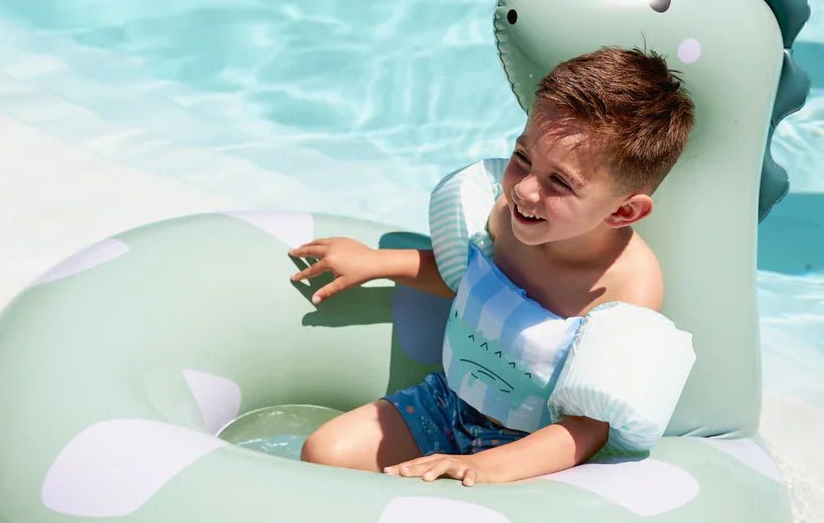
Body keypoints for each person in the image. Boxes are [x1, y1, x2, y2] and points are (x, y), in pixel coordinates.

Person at [288, 47, 695, 487]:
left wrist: (485, 467)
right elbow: (469, 280)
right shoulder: (505, 215)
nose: (524, 190)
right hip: (448, 404)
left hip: (530, 450)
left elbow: (588, 427)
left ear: (623, 212)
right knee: (324, 451)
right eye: (523, 157)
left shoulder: (629, 286)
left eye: (559, 182)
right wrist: (378, 262)